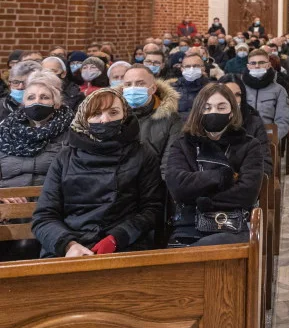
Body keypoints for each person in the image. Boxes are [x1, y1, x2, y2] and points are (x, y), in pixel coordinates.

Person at [31, 88, 163, 258]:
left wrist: (117, 238)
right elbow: (44, 216)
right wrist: (68, 245)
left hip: (125, 243)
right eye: (96, 114)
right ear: (84, 119)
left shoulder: (142, 154)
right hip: (68, 246)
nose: (104, 120)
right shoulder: (65, 157)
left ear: (125, 115)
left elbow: (152, 209)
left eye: (113, 112)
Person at [165, 84, 265, 246]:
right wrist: (221, 177)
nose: (214, 112)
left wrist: (202, 198)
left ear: (231, 112)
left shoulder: (249, 145)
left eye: (221, 107)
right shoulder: (183, 144)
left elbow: (247, 193)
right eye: (207, 107)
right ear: (198, 111)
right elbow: (177, 187)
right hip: (189, 225)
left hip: (231, 224)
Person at [0, 71, 72, 188]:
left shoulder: (70, 130)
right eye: (31, 97)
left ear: (56, 103)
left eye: (44, 97)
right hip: (8, 199)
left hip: (51, 198)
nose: (37, 101)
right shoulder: (5, 129)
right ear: (24, 103)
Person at [120, 64, 182, 168]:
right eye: (128, 84)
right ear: (123, 90)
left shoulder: (170, 118)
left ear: (153, 89)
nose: (133, 88)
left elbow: (169, 162)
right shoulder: (112, 116)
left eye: (140, 84)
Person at [242, 49, 289, 140]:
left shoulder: (279, 90)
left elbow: (283, 120)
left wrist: (272, 138)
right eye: (253, 63)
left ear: (268, 65)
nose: (257, 66)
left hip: (268, 137)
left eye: (261, 62)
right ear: (248, 66)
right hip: (243, 137)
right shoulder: (240, 88)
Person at [173, 53, 212, 117]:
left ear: (203, 68)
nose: (191, 69)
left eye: (196, 66)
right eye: (187, 66)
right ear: (181, 69)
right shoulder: (172, 89)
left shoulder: (212, 89)